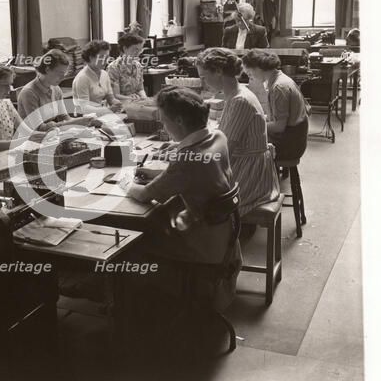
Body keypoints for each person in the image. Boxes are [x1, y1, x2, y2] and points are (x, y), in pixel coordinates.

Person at [120, 87, 241, 359]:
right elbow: (186, 177)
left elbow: (145, 194)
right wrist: (156, 173)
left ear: (180, 122)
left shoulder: (187, 160)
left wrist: (125, 180)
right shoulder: (218, 138)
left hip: (201, 244)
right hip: (224, 236)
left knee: (131, 242)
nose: (163, 124)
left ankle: (133, 310)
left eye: (164, 120)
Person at [196, 48, 279, 216]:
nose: (202, 82)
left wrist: (187, 157)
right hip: (246, 166)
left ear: (219, 71)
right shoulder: (236, 94)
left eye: (204, 77)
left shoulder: (240, 100)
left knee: (191, 194)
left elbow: (224, 152)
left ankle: (220, 237)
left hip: (249, 176)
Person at [242, 49, 309, 161]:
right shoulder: (280, 78)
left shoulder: (278, 87)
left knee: (244, 143)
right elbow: (277, 118)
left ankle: (258, 177)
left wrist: (252, 126)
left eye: (249, 73)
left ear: (259, 68)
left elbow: (279, 126)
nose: (250, 78)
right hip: (293, 136)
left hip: (290, 144)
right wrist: (259, 119)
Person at [17, 49, 95, 131]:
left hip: (50, 135)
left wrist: (86, 121)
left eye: (64, 74)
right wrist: (77, 122)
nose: (63, 77)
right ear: (47, 69)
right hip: (31, 139)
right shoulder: (29, 93)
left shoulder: (55, 88)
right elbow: (40, 128)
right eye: (60, 73)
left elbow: (64, 117)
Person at [72, 40, 122, 115]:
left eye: (107, 57)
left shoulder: (105, 74)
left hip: (101, 114)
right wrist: (108, 110)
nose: (105, 61)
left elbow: (110, 98)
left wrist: (118, 104)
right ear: (91, 57)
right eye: (101, 58)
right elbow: (85, 108)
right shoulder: (82, 78)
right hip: (83, 118)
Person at [107, 33, 148, 101]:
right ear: (125, 48)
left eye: (140, 50)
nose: (138, 53)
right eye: (135, 49)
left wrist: (144, 98)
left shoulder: (138, 66)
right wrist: (132, 99)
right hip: (119, 106)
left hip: (135, 103)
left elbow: (140, 89)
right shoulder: (113, 68)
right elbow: (115, 95)